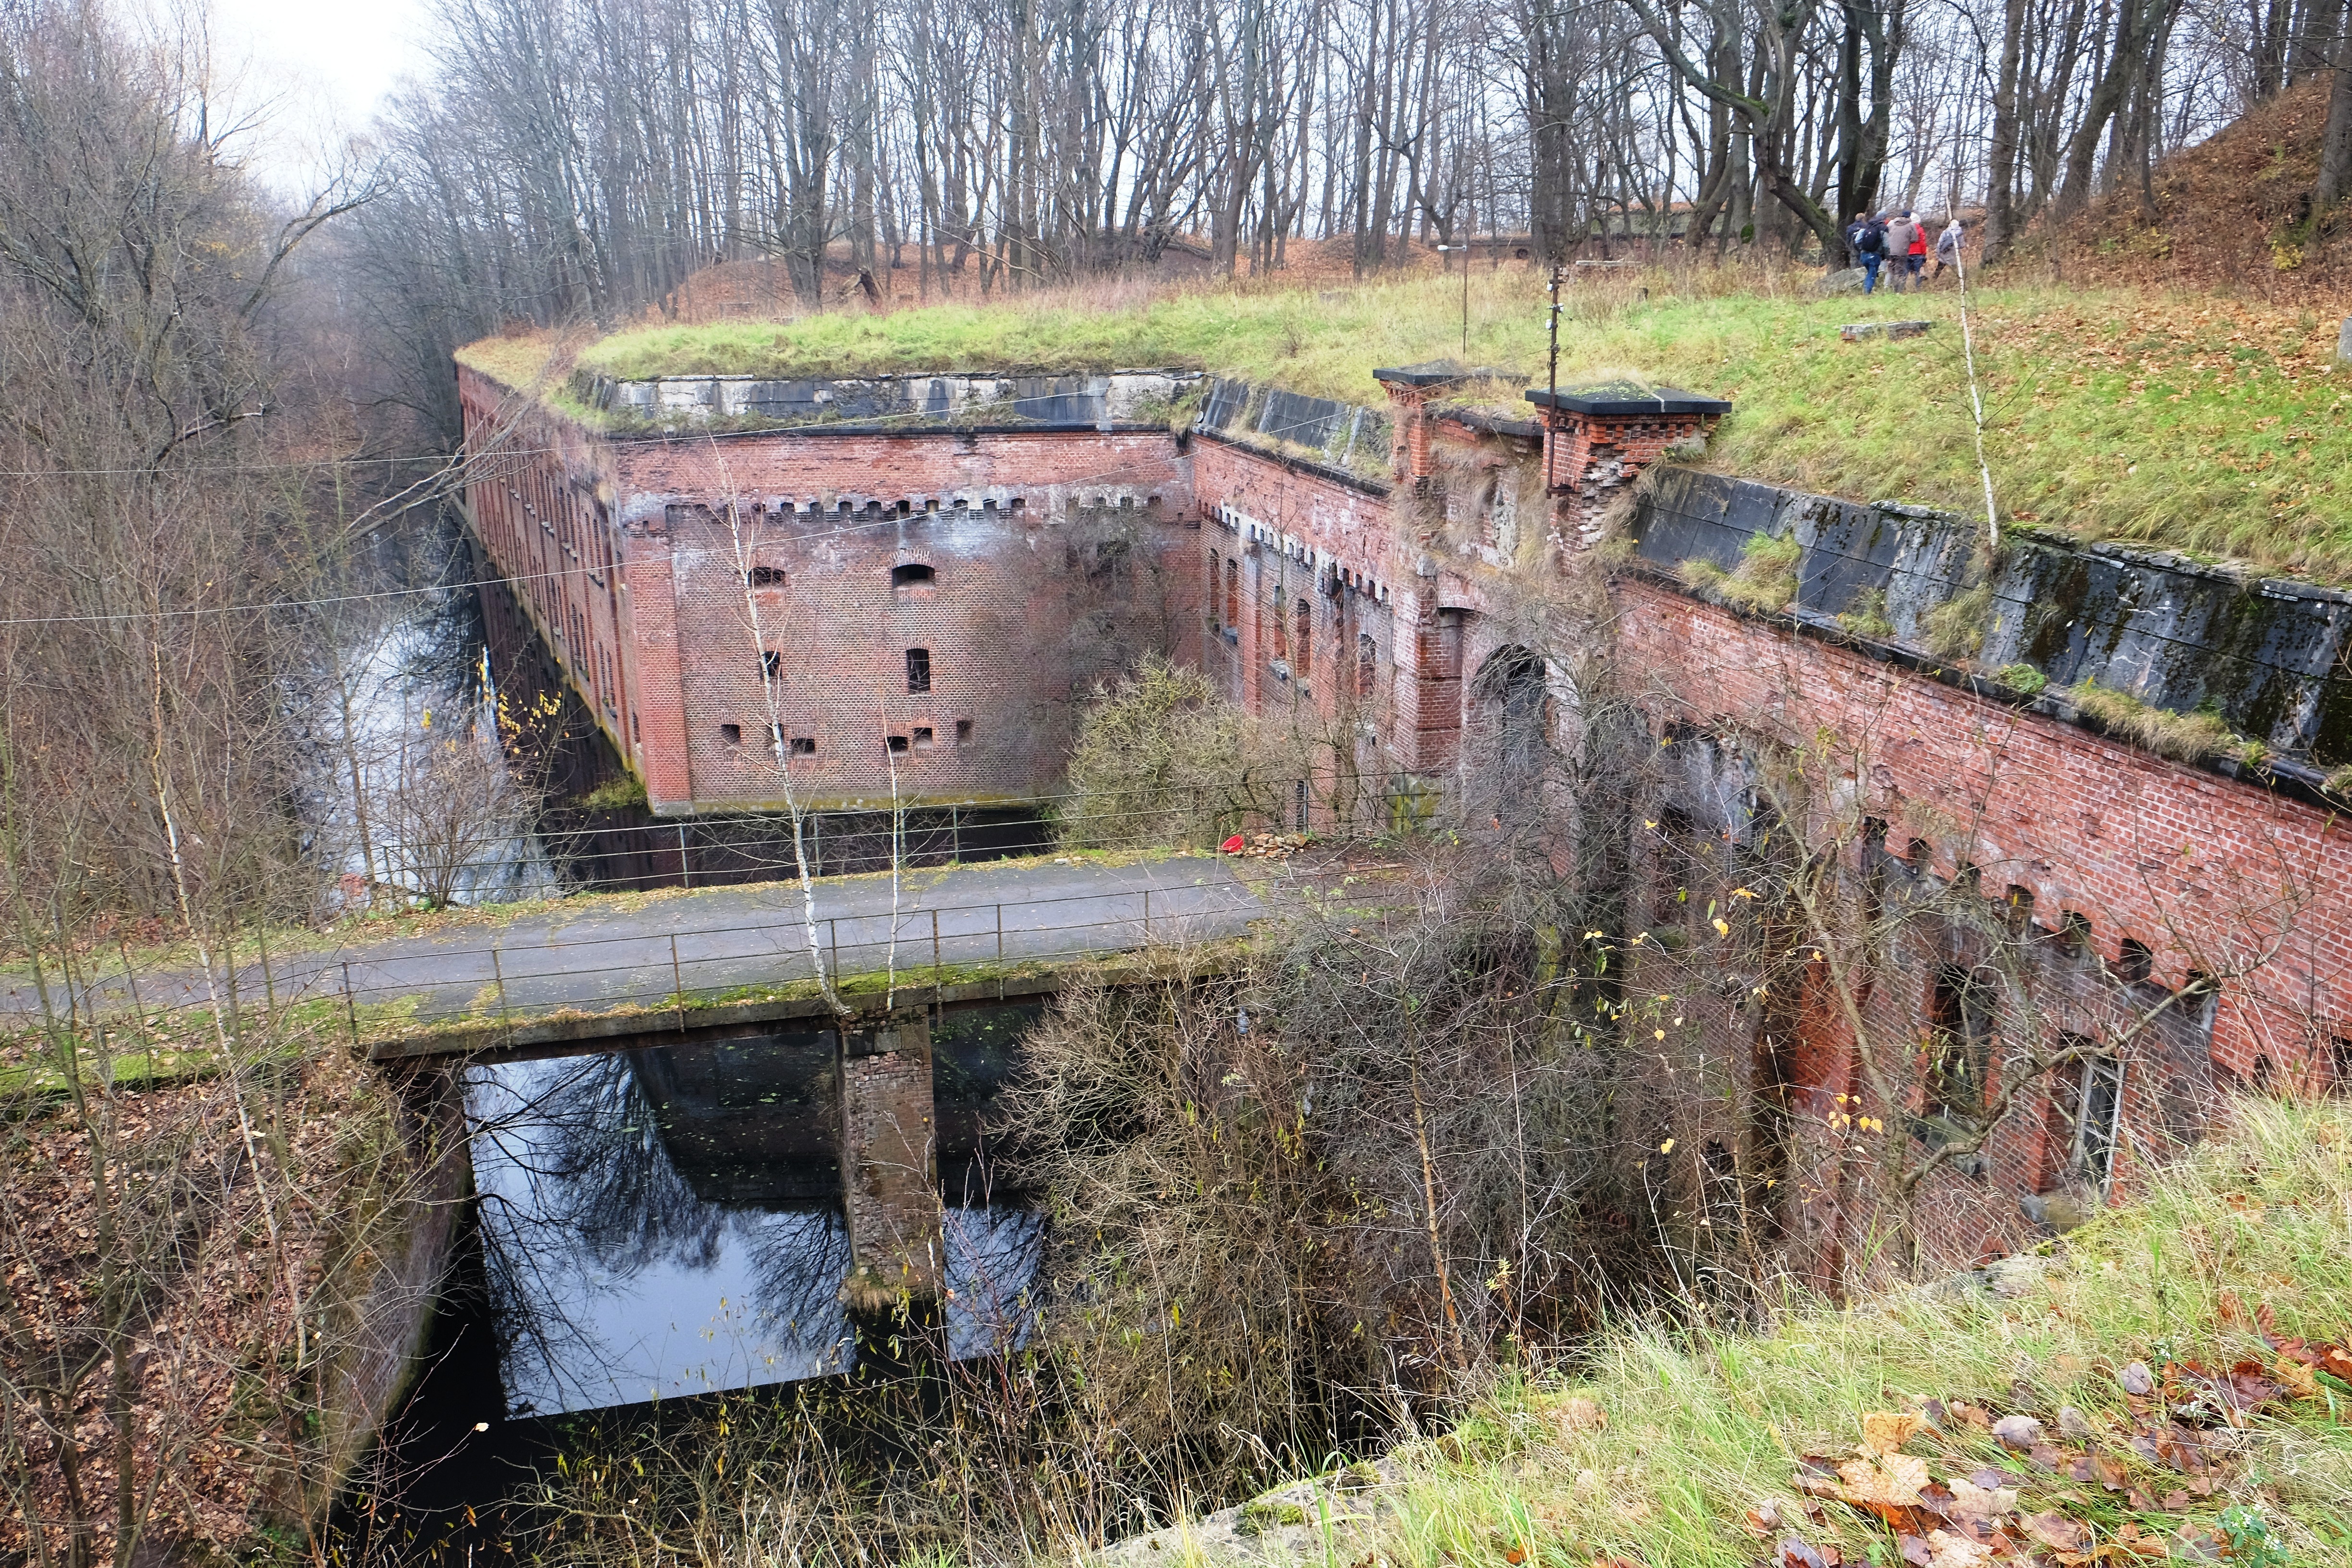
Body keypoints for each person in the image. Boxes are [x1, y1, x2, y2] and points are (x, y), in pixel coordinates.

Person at [1881, 210, 1918, 292]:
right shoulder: (1911, 225)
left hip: (1890, 251)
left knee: (1890, 270)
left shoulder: (1891, 223)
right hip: (1902, 252)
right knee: (1900, 271)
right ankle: (1898, 291)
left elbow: (1886, 233)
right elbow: (1915, 239)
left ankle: (1886, 288)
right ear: (1909, 217)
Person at [1850, 211, 1886, 293]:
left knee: (1870, 273)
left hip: (1864, 254)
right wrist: (1886, 255)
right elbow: (1886, 244)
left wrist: (1861, 248)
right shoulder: (1882, 228)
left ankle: (1869, 288)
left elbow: (1857, 240)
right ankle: (1867, 291)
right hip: (1875, 255)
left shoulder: (1865, 227)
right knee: (1872, 274)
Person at [1931, 217, 1965, 283]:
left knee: (1939, 268)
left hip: (1944, 254)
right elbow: (1962, 245)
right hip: (1955, 254)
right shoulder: (1960, 234)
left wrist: (1938, 252)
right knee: (1957, 269)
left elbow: (1940, 243)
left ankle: (1933, 280)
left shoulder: (1946, 232)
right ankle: (1960, 281)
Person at [1902, 210, 1927, 289]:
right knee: (1918, 272)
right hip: (1918, 253)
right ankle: (1918, 288)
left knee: (1905, 272)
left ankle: (1901, 288)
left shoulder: (1906, 229)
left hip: (1907, 252)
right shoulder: (1920, 230)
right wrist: (1924, 253)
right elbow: (1922, 243)